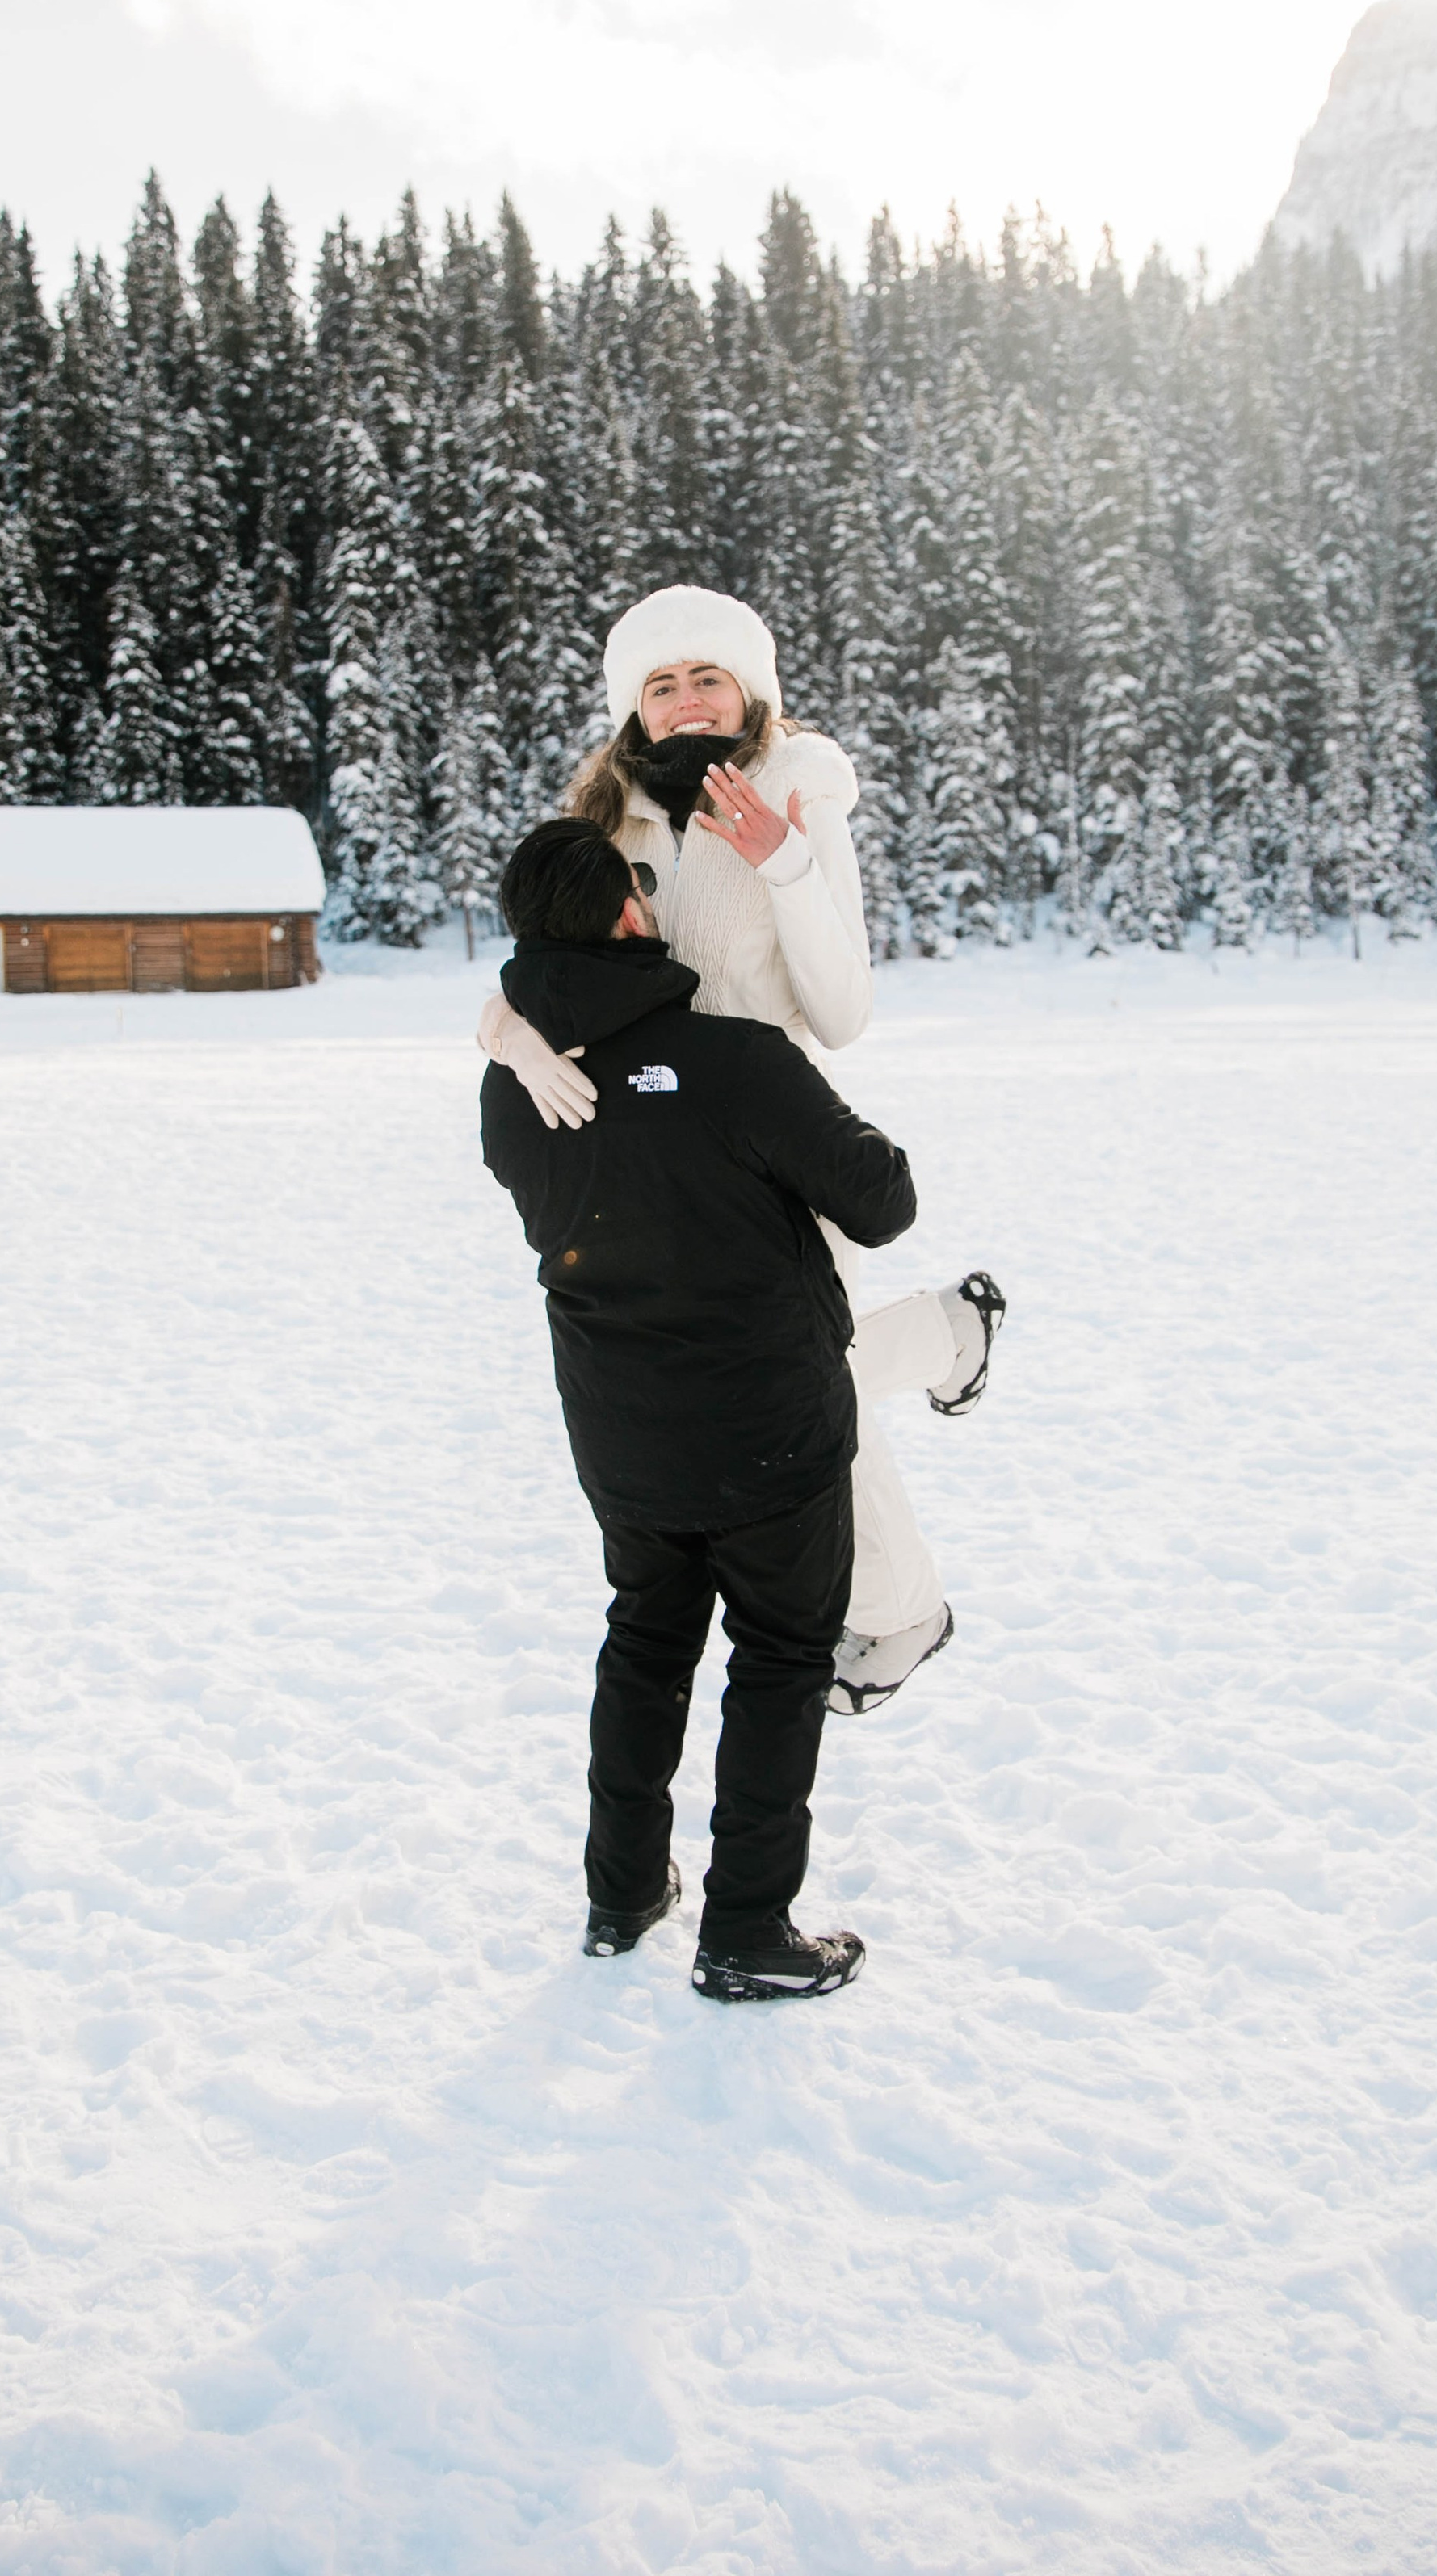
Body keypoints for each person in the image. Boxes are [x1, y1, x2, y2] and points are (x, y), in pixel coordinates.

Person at [477, 585, 1002, 1715]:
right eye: (659, 685)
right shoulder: (604, 815)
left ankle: (904, 1608)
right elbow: (551, 955)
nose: (683, 700)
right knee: (800, 1377)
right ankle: (953, 1333)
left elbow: (844, 1006)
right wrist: (513, 1035)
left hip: (776, 1139)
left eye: (704, 676)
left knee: (809, 1381)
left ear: (749, 689)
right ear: (633, 708)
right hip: (655, 1158)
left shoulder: (796, 794)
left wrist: (783, 864)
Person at [481, 816, 919, 2001]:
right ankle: (747, 1929)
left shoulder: (513, 1089)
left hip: (621, 1435)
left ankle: (622, 1894)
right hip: (769, 1429)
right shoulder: (733, 1058)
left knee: (646, 1644)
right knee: (779, 1660)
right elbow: (883, 1201)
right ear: (631, 912)